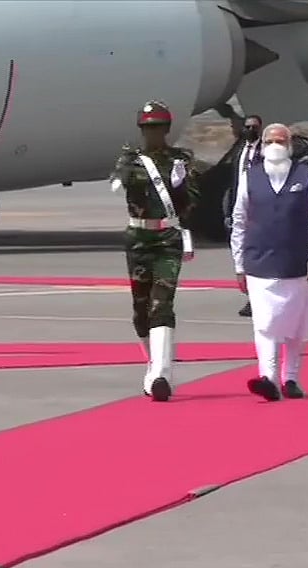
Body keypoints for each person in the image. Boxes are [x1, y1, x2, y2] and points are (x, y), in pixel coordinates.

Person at [230, 123, 308, 401]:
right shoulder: (249, 178)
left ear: (290, 146)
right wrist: (238, 264)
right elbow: (239, 220)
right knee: (265, 324)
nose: (276, 145)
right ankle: (269, 379)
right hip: (258, 261)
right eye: (271, 141)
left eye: (281, 140)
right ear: (262, 147)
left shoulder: (307, 176)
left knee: (294, 325)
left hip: (296, 262)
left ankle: (291, 378)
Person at [110, 100, 200, 402]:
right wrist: (122, 174)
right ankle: (151, 366)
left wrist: (180, 186)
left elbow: (191, 204)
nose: (153, 133)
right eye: (148, 128)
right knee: (140, 309)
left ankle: (162, 373)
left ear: (167, 129)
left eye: (158, 128)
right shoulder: (131, 160)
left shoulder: (181, 160)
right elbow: (121, 180)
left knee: (161, 304)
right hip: (138, 237)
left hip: (167, 238)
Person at [222, 114, 264, 318]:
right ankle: (251, 294)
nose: (249, 130)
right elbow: (235, 182)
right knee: (242, 253)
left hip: (259, 209)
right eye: (247, 127)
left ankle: (255, 299)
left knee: (257, 254)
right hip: (240, 207)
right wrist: (229, 210)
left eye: (253, 127)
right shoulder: (240, 151)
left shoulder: (265, 153)